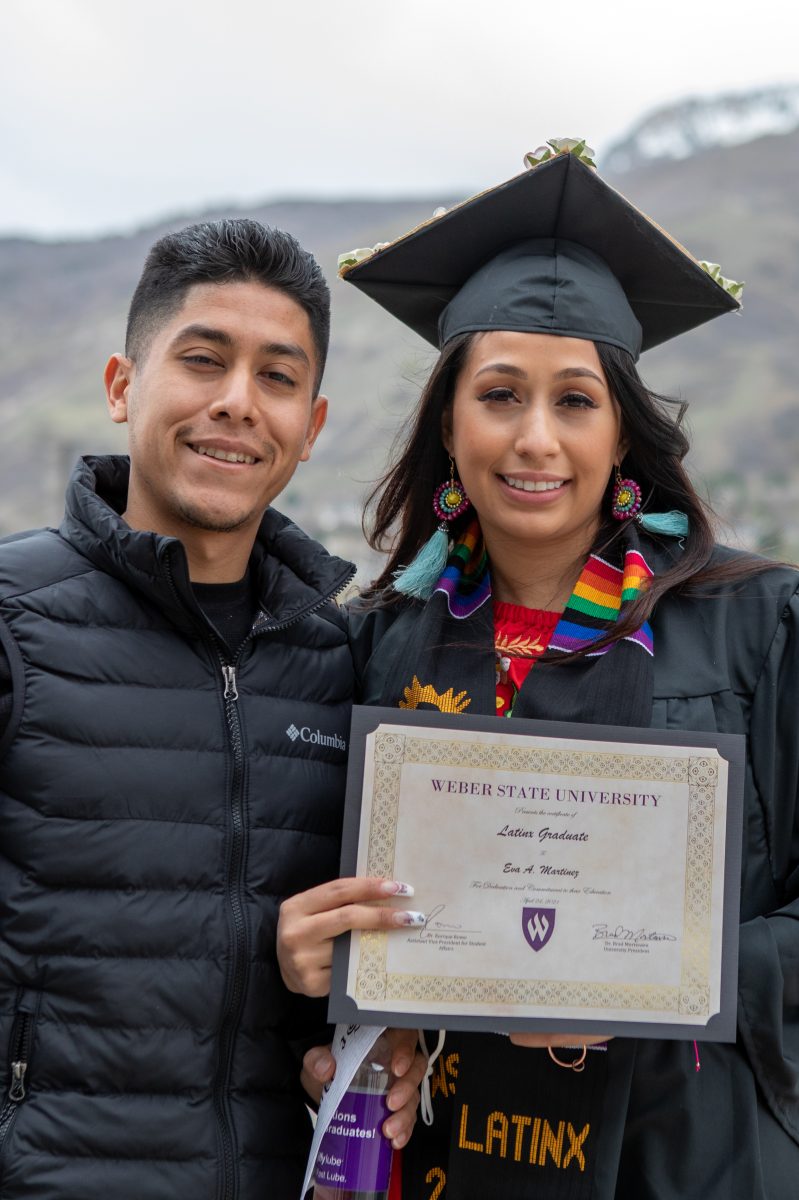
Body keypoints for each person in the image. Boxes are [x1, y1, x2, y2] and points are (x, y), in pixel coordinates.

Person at [278, 143, 799, 1198]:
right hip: (452, 1162)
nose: (534, 439)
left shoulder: (755, 626)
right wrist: (337, 992)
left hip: (691, 1160)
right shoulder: (383, 642)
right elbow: (374, 943)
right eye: (500, 394)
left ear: (621, 437)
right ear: (449, 420)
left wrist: (650, 975)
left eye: (574, 401)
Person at [0, 219, 423, 1200]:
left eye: (278, 378)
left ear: (310, 429)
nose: (237, 404)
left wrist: (346, 1049)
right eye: (202, 361)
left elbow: (331, 977)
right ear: (122, 386)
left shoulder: (335, 661)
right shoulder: (15, 622)